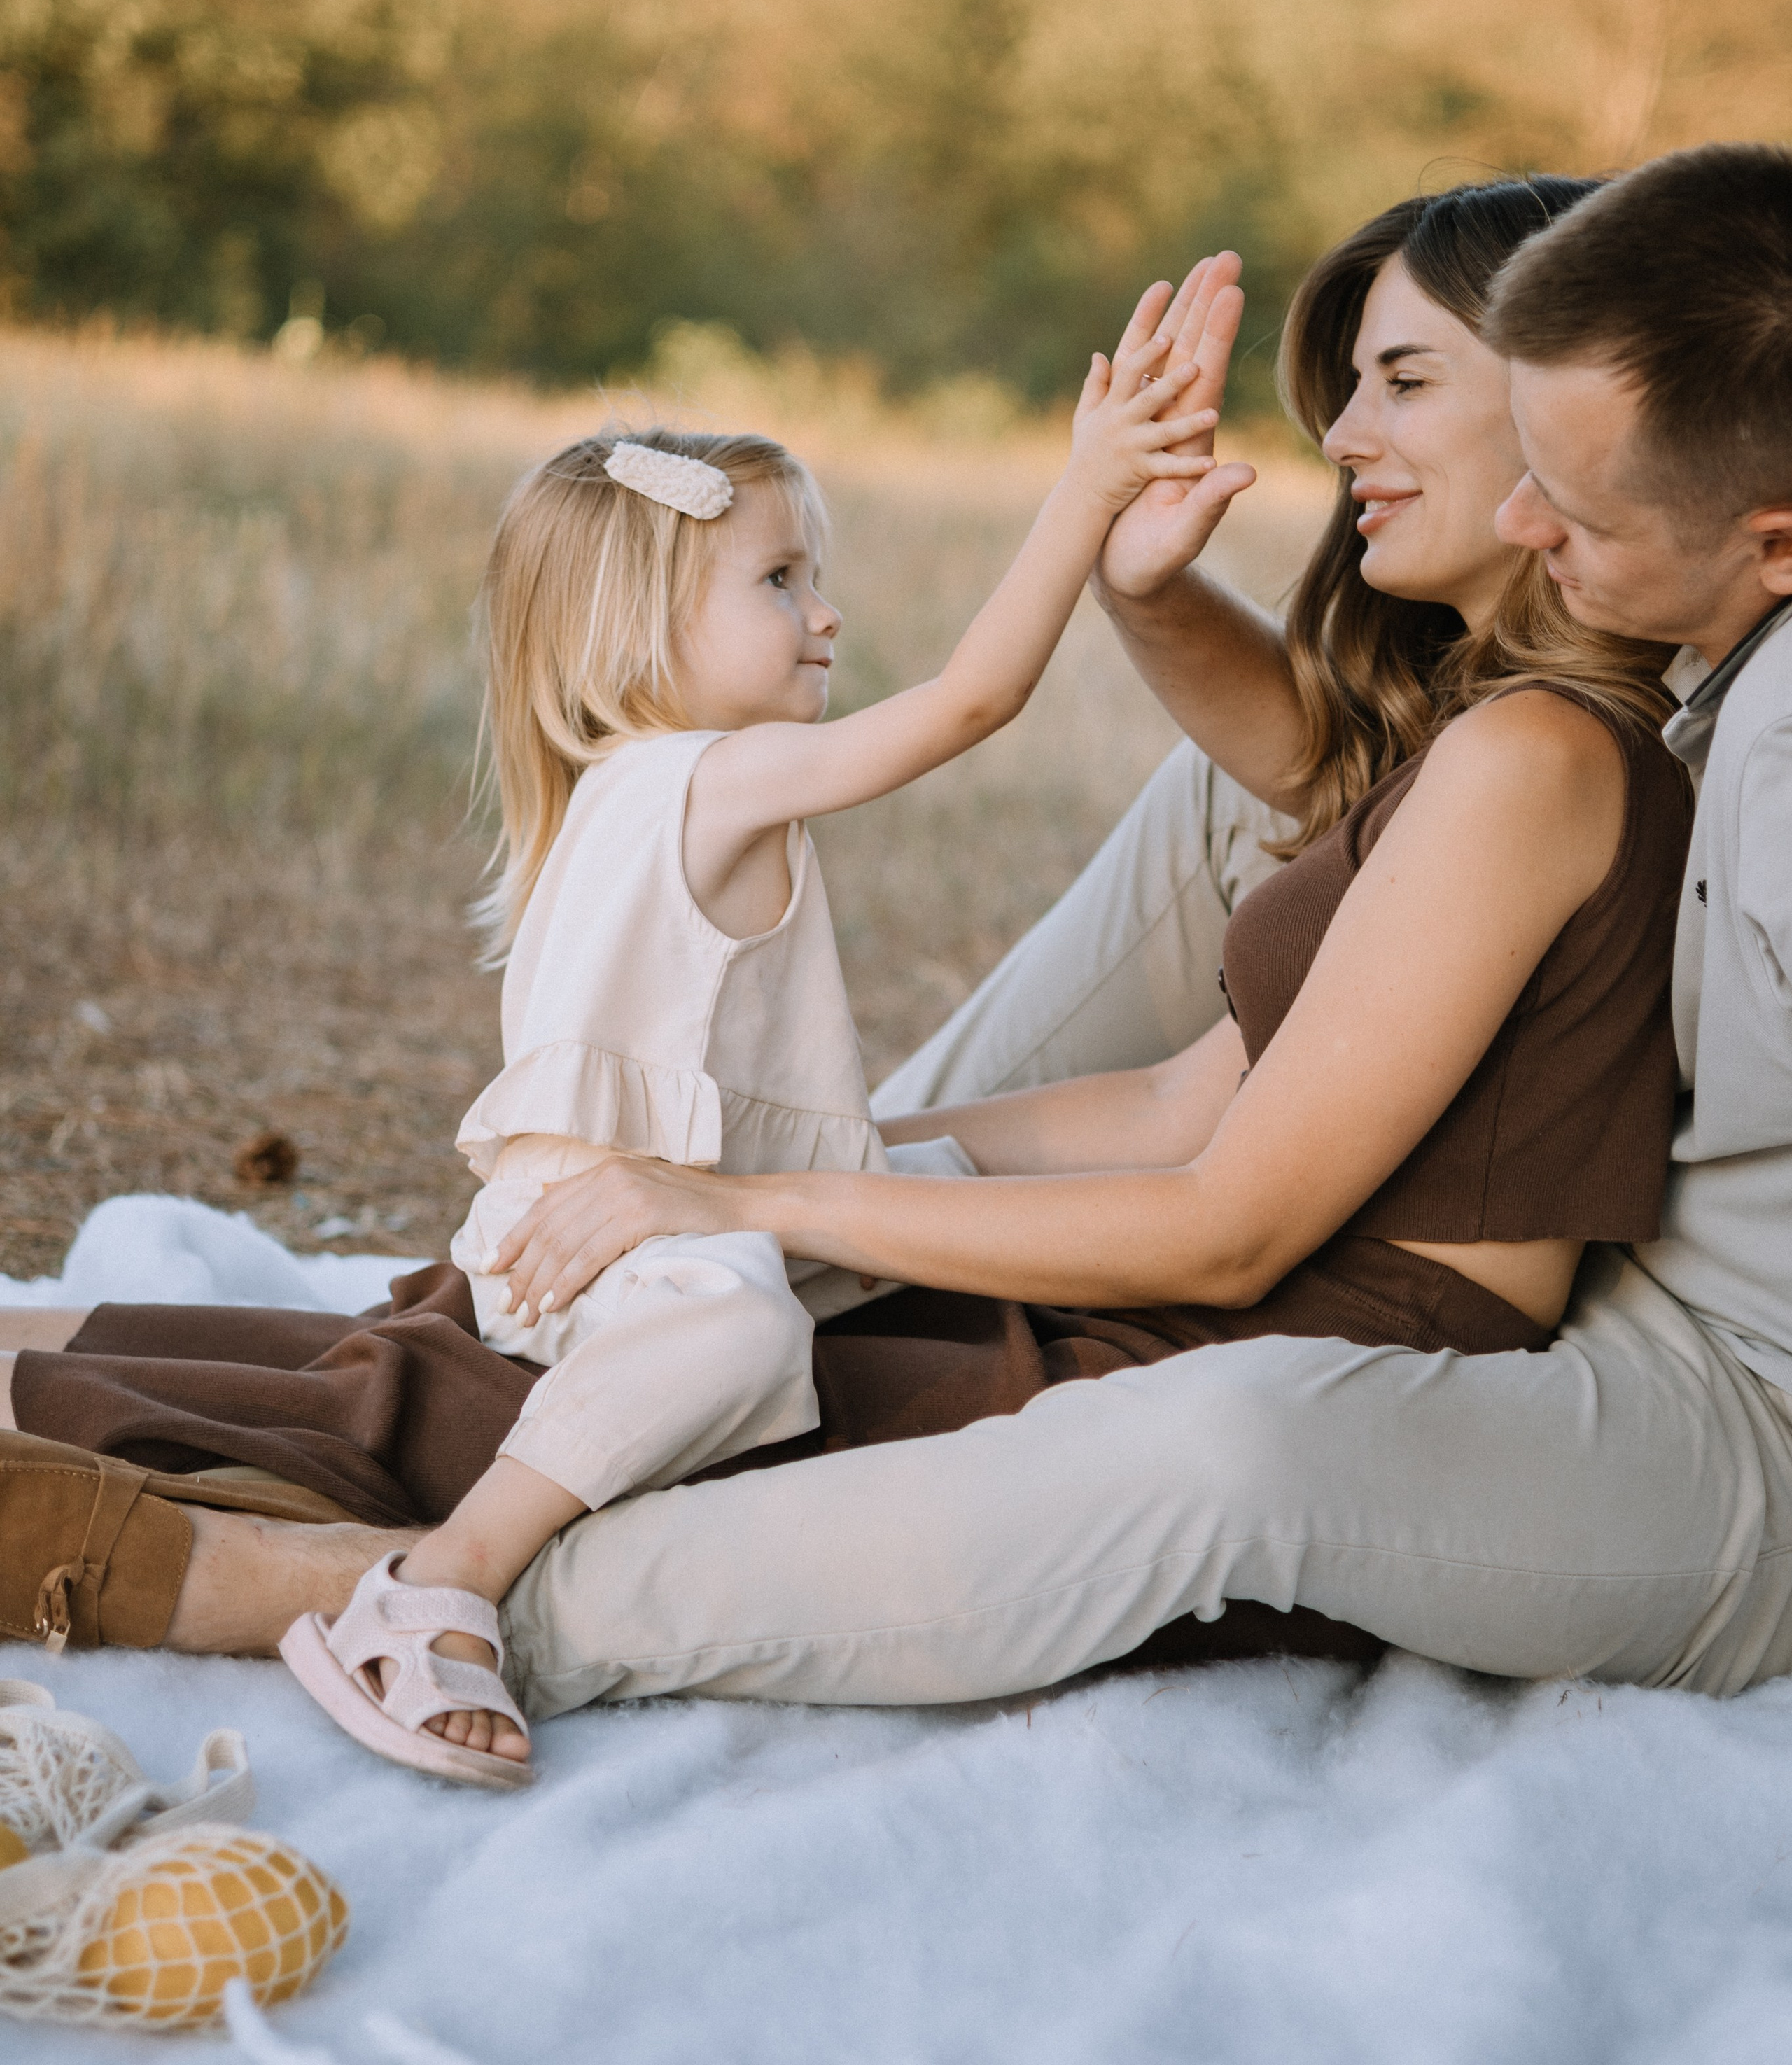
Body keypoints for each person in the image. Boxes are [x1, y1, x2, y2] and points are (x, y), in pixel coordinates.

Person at [1, 169, 1699, 1719]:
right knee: (585, 1313)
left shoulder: (1532, 758)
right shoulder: (1467, 737)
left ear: (1569, 404)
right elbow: (1196, 1099)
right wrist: (829, 1165)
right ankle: (61, 1363)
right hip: (1260, 1290)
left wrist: (757, 1200)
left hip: (1318, 1350)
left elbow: (1231, 1224)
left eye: (1401, 380)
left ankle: (119, 1516)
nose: (1338, 432)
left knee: (692, 1384)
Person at [276, 299, 1223, 1782]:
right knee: (738, 1321)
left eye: (812, 577)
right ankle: (447, 1571)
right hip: (617, 1238)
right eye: (779, 579)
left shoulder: (626, 781)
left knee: (951, 1187)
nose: (824, 612)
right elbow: (972, 698)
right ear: (641, 625)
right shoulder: (710, 779)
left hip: (661, 1203)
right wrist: (1084, 489)